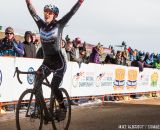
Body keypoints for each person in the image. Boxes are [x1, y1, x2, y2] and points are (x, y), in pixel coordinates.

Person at [25, 0, 84, 121]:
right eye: (45, 11)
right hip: (47, 62)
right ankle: (42, 110)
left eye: (49, 12)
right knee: (36, 81)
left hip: (59, 63)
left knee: (54, 86)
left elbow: (71, 12)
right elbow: (32, 12)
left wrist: (80, 2)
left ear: (55, 15)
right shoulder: (41, 24)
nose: (46, 14)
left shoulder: (59, 24)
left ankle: (63, 107)